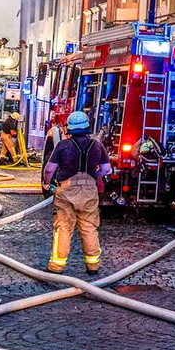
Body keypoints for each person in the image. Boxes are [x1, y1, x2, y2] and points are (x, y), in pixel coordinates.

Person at [41, 110, 110, 274]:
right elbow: (106, 169)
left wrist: (46, 183)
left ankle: (57, 266)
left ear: (69, 128)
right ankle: (93, 266)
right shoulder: (97, 145)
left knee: (63, 228)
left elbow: (50, 169)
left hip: (66, 191)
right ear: (87, 127)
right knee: (89, 228)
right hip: (89, 192)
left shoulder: (63, 145)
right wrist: (94, 177)